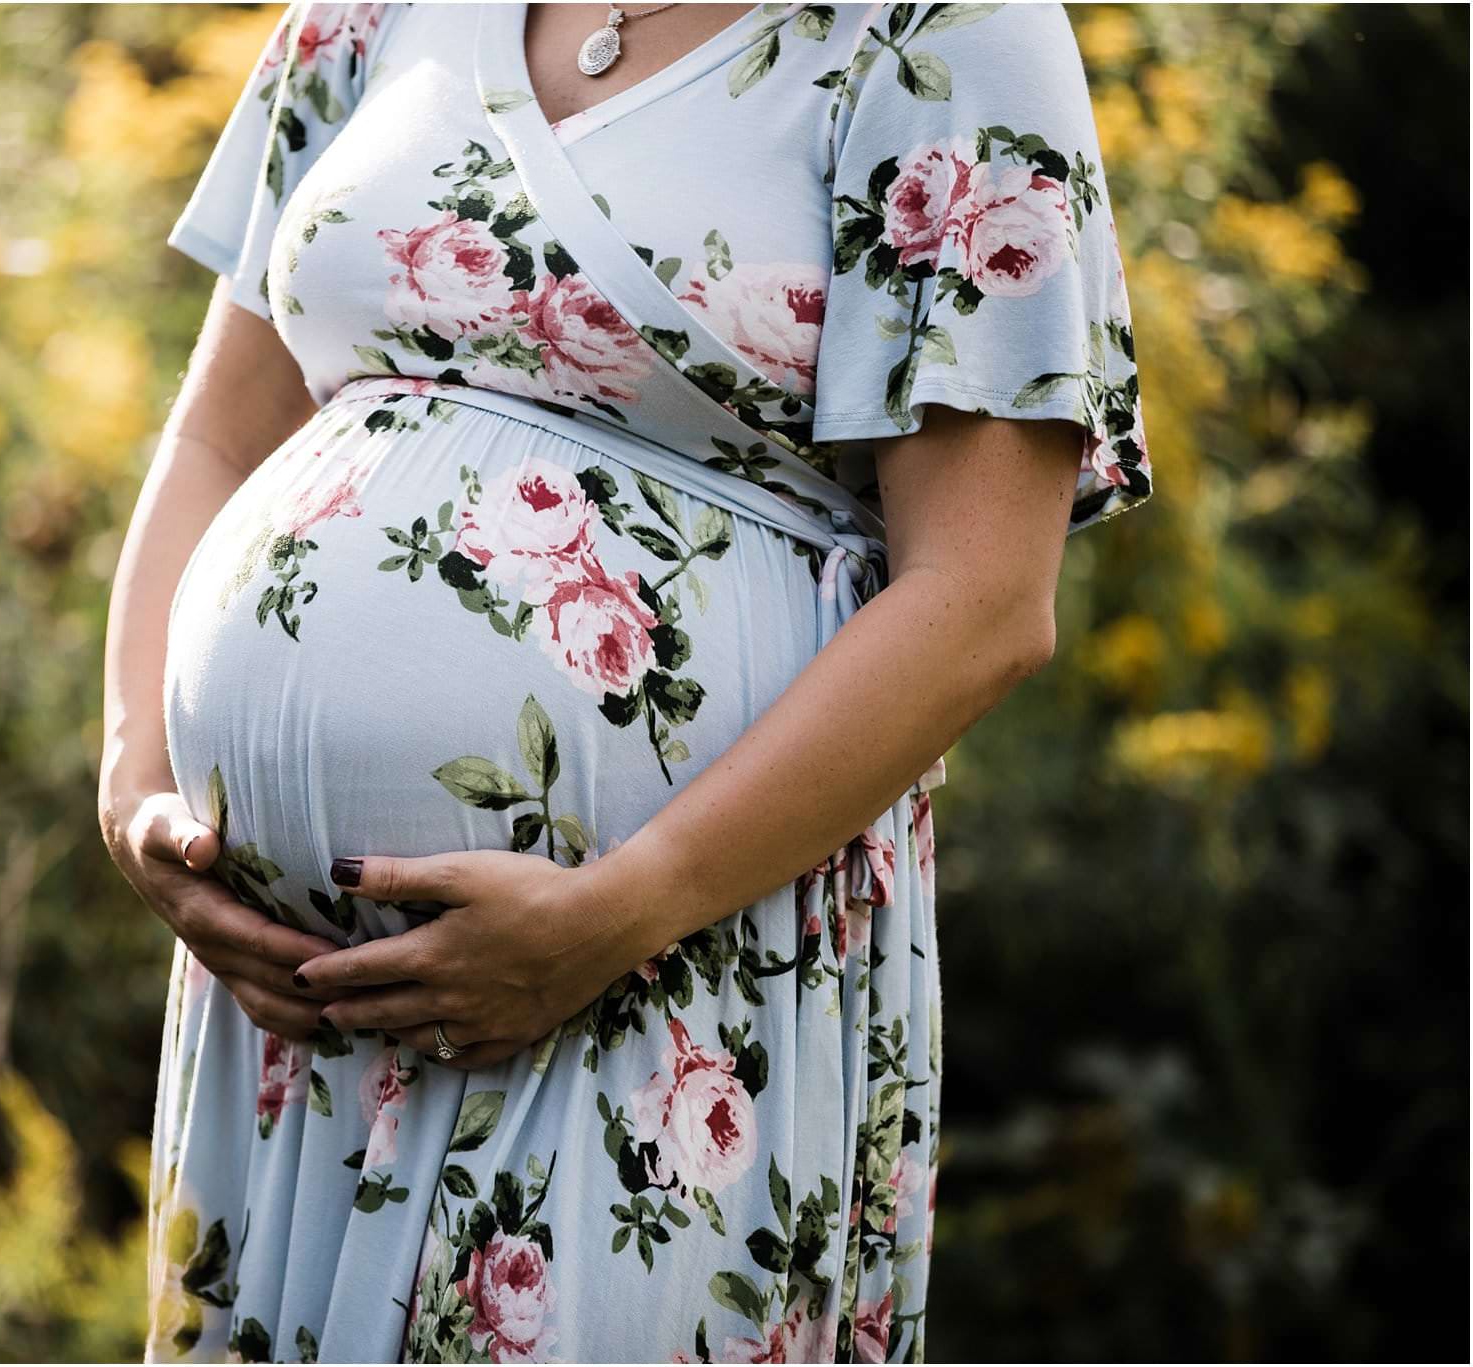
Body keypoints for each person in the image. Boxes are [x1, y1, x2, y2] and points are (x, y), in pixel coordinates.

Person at [99, 2, 1153, 1361]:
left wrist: (622, 910)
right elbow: (213, 436)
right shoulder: (375, 11)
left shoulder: (948, 33)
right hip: (287, 1022)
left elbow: (982, 600)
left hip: (662, 978)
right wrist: (137, 781)